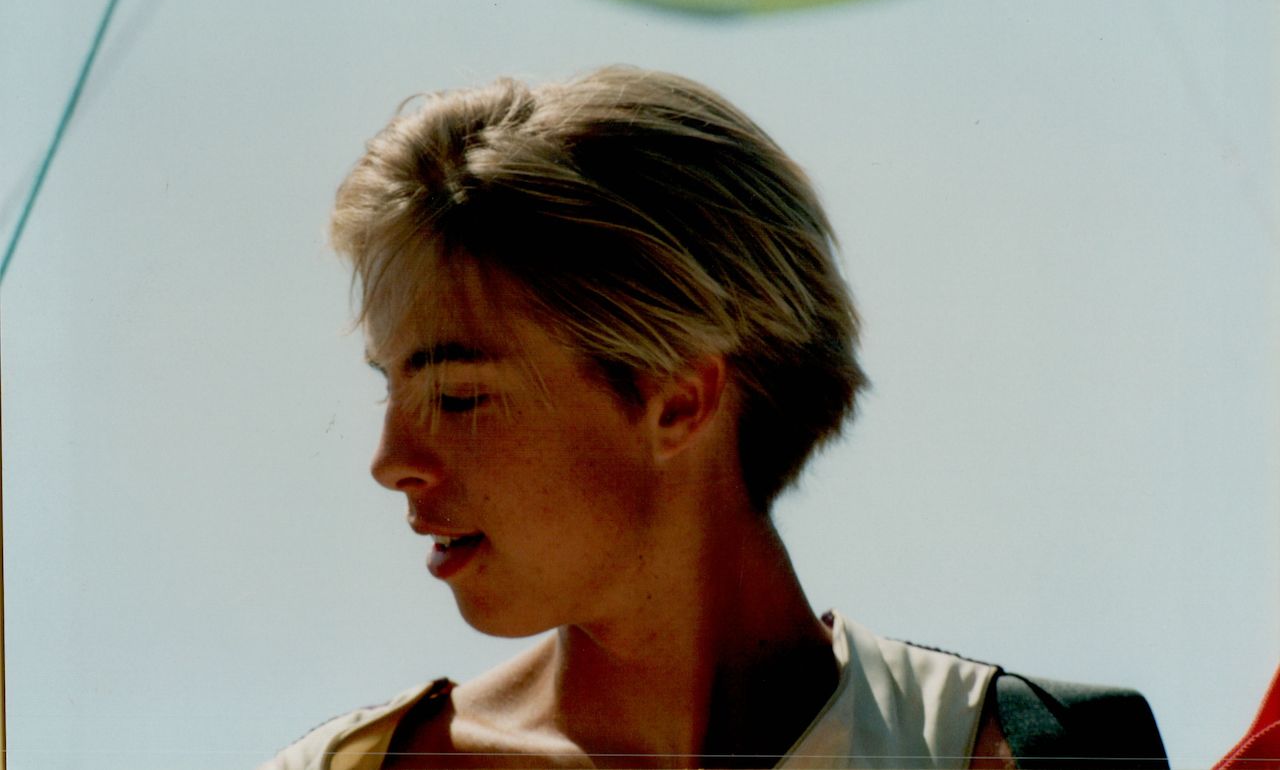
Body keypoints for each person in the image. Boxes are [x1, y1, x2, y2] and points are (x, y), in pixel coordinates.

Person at [261, 67, 1166, 769]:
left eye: (457, 396)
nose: (390, 460)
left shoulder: (1027, 750)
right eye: (392, 390)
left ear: (678, 400)